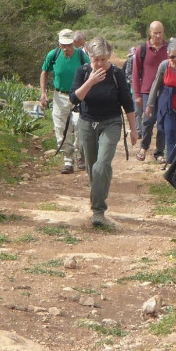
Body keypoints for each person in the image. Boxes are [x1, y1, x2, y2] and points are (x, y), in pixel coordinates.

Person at [70, 36, 138, 227]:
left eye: (103, 59)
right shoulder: (83, 72)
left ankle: (98, 210)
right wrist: (90, 81)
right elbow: (74, 99)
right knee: (92, 169)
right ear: (89, 58)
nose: (99, 64)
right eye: (95, 60)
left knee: (102, 164)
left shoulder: (116, 74)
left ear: (108, 57)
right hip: (87, 123)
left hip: (111, 123)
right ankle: (97, 200)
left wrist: (134, 130)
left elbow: (127, 102)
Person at [39, 29, 89, 174]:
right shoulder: (53, 55)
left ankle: (80, 155)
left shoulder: (81, 56)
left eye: (69, 45)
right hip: (59, 96)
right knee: (61, 129)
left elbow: (89, 71)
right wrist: (43, 92)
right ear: (59, 43)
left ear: (73, 42)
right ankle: (68, 160)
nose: (66, 48)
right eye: (63, 45)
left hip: (79, 96)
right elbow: (44, 72)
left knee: (80, 127)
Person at [145, 38, 176, 164]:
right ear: (168, 55)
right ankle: (172, 162)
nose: (175, 60)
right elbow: (156, 84)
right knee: (170, 130)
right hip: (167, 102)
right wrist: (149, 104)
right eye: (172, 57)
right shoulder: (164, 65)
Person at [131, 21, 168, 162]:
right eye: (155, 33)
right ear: (150, 32)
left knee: (163, 122)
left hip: (165, 91)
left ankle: (159, 152)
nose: (158, 36)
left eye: (160, 32)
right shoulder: (142, 49)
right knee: (148, 120)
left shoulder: (168, 49)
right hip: (147, 91)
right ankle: (144, 147)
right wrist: (137, 95)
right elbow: (135, 74)